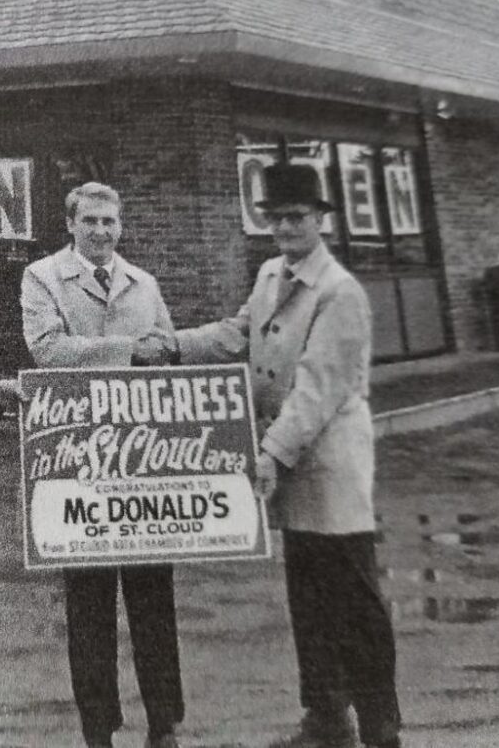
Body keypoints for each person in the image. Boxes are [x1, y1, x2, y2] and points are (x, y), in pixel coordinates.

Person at [173, 164, 401, 748]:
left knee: (354, 598)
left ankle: (380, 726)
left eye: (296, 216)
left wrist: (270, 452)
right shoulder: (272, 273)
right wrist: (168, 346)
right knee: (309, 596)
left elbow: (319, 387)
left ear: (321, 220)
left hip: (330, 467)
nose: (284, 227)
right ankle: (326, 716)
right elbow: (237, 333)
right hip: (294, 465)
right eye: (274, 216)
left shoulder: (339, 291)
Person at [21, 181, 184, 748]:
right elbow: (45, 349)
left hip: (141, 460)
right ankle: (98, 728)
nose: (100, 231)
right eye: (89, 221)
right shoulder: (43, 277)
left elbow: (165, 350)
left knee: (154, 599)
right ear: (70, 224)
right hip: (77, 461)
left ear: (121, 225)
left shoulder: (144, 283)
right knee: (89, 605)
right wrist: (127, 350)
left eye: (109, 222)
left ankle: (164, 723)